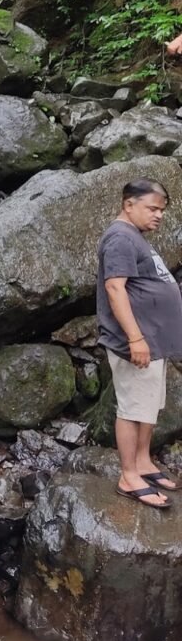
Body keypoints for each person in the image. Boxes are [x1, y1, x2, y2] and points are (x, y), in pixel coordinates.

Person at [97, 178, 182, 508]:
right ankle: (129, 475)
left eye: (161, 210)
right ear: (128, 204)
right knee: (133, 409)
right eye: (152, 208)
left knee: (148, 406)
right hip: (135, 341)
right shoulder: (119, 237)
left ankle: (144, 462)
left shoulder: (135, 237)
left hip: (151, 339)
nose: (159, 215)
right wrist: (135, 338)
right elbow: (115, 289)